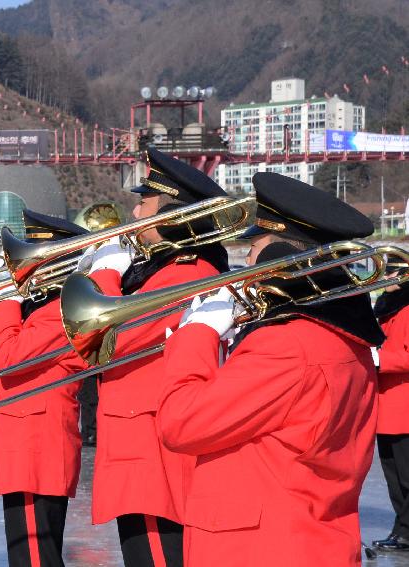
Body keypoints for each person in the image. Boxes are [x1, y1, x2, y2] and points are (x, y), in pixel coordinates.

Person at [156, 172, 382, 567]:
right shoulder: (345, 338)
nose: (247, 259)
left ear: (281, 254)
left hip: (257, 548)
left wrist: (197, 333)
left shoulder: (284, 344)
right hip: (311, 539)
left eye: (255, 245)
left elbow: (180, 423)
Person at [82, 147, 231, 567]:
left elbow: (105, 340)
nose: (133, 212)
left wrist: (105, 273)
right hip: (141, 446)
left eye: (143, 203)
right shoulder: (166, 270)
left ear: (168, 217)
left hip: (152, 455)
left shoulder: (185, 273)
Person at [0, 210, 89, 567]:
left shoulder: (61, 309)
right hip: (27, 440)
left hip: (36, 443)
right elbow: (14, 367)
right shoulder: (40, 305)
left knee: (35, 555)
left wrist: (1, 303)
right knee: (30, 552)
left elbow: (12, 360)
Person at [370, 255, 409, 551]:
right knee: (393, 478)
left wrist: (381, 358)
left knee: (407, 477)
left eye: (390, 272)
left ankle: (406, 531)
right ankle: (402, 527)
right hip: (385, 407)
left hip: (404, 406)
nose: (384, 278)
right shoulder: (385, 307)